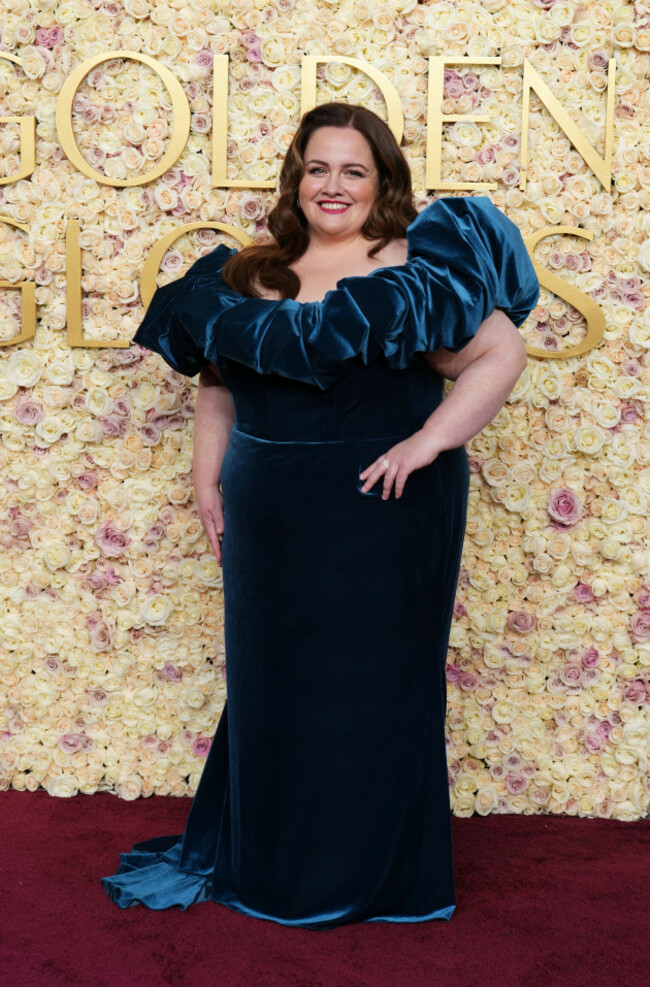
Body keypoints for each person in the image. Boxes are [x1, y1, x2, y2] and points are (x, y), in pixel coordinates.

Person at [102, 102, 539, 929]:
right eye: (317, 168)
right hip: (271, 514)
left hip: (390, 511)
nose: (332, 186)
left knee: (378, 689)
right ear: (295, 179)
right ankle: (278, 864)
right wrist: (209, 477)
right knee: (275, 687)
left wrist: (427, 443)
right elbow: (221, 383)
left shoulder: (417, 270)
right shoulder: (246, 273)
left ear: (382, 184)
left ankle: (378, 874)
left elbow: (499, 349)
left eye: (353, 170)